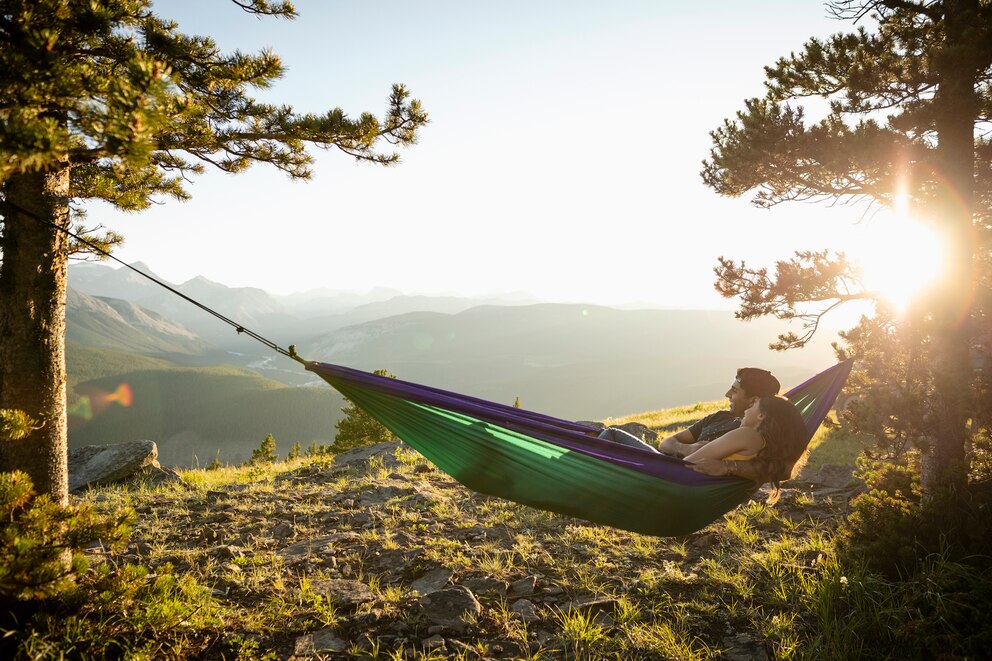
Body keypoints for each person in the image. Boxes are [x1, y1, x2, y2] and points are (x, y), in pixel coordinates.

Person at [597, 367, 781, 483]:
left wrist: (724, 465)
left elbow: (776, 469)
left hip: (668, 475)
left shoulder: (751, 434)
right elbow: (666, 443)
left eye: (734, 391)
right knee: (610, 437)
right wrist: (687, 448)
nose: (727, 395)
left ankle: (585, 478)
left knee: (612, 435)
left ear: (753, 400)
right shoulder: (719, 417)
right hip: (663, 463)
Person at [684, 395, 809, 501]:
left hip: (683, 484)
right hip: (705, 494)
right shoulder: (768, 450)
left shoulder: (747, 435)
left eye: (751, 406)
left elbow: (685, 463)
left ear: (761, 415)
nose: (745, 411)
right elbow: (784, 472)